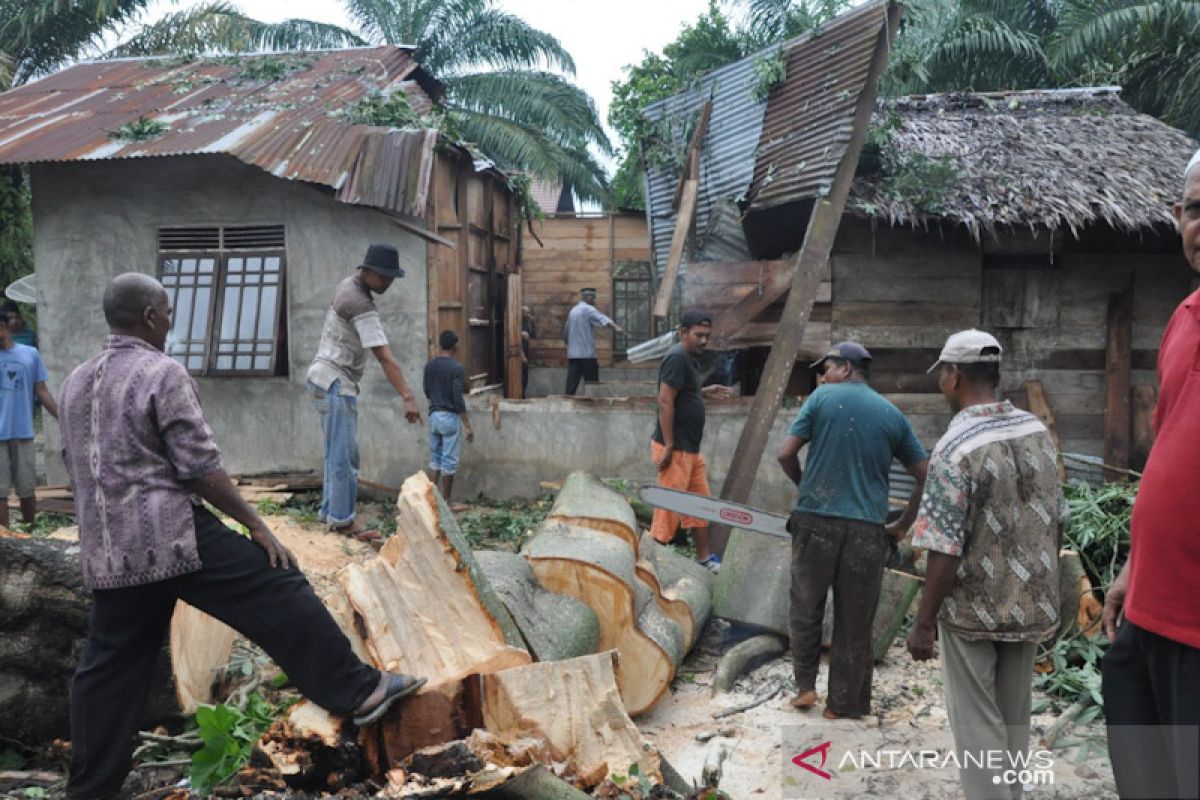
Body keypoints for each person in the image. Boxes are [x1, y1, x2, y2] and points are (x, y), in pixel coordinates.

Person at [60, 273, 426, 800]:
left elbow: (76, 465)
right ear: (148, 318)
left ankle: (89, 791)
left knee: (108, 670)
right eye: (166, 311)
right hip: (171, 538)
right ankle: (359, 689)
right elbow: (198, 466)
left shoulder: (76, 380)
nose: (171, 320)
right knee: (276, 582)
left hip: (108, 552)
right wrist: (256, 525)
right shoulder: (162, 373)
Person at [905, 330, 1064, 800]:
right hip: (1031, 603)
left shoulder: (955, 449)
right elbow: (1058, 519)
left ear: (953, 376)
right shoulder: (1037, 432)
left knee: (978, 728)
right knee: (1014, 719)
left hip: (974, 610)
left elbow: (943, 547)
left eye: (943, 374)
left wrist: (923, 623)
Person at [1101, 150, 1200, 800]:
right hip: (1146, 622)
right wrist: (1136, 567)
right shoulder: (1184, 318)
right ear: (1177, 217)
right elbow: (1167, 443)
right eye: (1198, 209)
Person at [776, 342, 928, 719]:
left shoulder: (821, 399)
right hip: (867, 530)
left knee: (805, 607)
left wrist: (807, 486)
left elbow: (784, 454)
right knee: (855, 620)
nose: (822, 376)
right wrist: (902, 526)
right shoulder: (892, 413)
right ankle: (842, 705)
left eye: (825, 368)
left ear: (845, 368)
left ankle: (805, 687)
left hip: (814, 523)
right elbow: (925, 476)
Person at [306, 244, 422, 543]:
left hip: (323, 378)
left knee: (337, 452)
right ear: (367, 271)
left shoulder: (348, 284)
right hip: (335, 382)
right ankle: (343, 522)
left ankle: (331, 513)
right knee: (345, 456)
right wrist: (408, 396)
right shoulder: (360, 304)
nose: (388, 283)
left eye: (392, 278)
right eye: (384, 277)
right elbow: (385, 357)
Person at [649, 309, 731, 573]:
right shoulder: (676, 357)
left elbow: (684, 392)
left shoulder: (689, 358)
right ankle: (651, 567)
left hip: (691, 449)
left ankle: (704, 560)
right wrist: (670, 445)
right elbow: (664, 400)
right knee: (669, 510)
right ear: (683, 332)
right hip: (677, 448)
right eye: (699, 335)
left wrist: (703, 392)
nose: (704, 341)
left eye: (707, 336)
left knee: (700, 504)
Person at [0, 309, 57, 528]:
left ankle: (30, 535)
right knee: (0, 493)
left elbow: (41, 390)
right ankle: (5, 544)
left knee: (27, 490)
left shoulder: (30, 354)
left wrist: (62, 416)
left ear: (3, 328)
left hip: (22, 431)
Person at [424, 330, 473, 502]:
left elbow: (427, 391)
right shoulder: (456, 368)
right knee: (449, 461)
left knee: (435, 458)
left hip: (434, 415)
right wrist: (466, 424)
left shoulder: (429, 366)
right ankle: (446, 502)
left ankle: (430, 501)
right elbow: (457, 398)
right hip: (449, 417)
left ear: (440, 345)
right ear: (455, 346)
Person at [563, 287, 623, 395]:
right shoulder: (588, 309)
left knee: (571, 385)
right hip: (587, 356)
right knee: (593, 385)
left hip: (573, 355)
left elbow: (566, 332)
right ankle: (594, 407)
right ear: (586, 297)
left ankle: (567, 404)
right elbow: (602, 318)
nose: (594, 300)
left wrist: (570, 345)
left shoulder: (573, 310)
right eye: (592, 297)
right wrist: (616, 327)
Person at [520, 305, 536, 396]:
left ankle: (523, 394)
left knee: (525, 375)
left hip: (526, 352)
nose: (528, 314)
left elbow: (533, 335)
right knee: (521, 376)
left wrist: (532, 323)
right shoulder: (518, 323)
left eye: (529, 312)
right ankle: (521, 394)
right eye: (527, 312)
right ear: (521, 313)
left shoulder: (528, 323)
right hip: (520, 353)